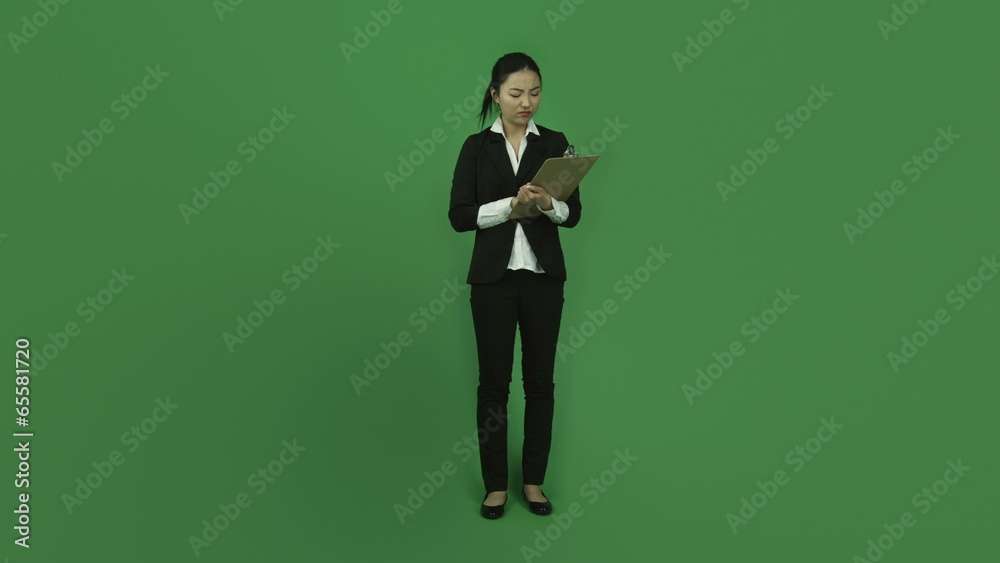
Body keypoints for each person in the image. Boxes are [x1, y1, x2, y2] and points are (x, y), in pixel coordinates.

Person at [448, 52, 582, 520]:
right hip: (492, 282)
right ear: (495, 95)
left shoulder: (557, 143)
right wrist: (509, 205)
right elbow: (459, 216)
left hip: (544, 280)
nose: (527, 102)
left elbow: (573, 214)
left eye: (535, 92)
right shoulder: (475, 147)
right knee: (494, 385)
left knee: (540, 384)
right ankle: (495, 486)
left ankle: (533, 482)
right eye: (516, 93)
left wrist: (546, 203)